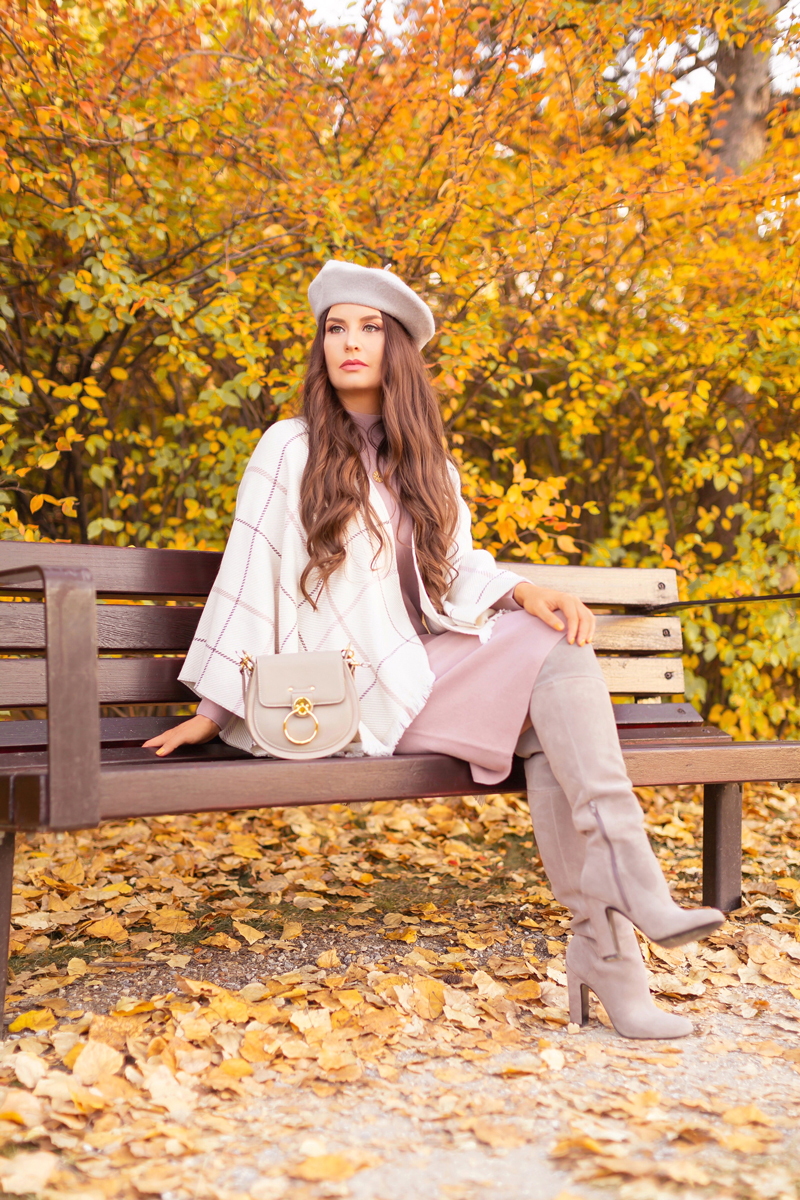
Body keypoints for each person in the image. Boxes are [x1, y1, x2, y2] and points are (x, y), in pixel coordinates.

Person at [145, 259, 724, 1039]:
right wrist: (214, 712)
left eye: (371, 329)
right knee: (543, 695)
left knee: (550, 685)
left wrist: (523, 590)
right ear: (321, 347)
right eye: (336, 328)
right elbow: (250, 577)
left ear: (399, 351)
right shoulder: (287, 448)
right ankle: (628, 908)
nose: (350, 343)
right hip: (337, 695)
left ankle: (611, 957)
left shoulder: (430, 465)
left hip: (420, 675)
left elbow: (454, 577)